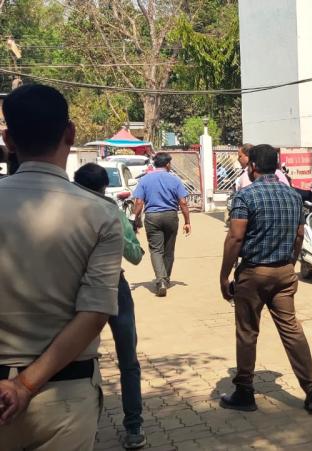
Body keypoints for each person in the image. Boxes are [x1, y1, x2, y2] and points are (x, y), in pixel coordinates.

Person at [0, 84, 123, 448]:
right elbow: (95, 313)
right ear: (70, 133)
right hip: (65, 395)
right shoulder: (100, 215)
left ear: (8, 139)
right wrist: (24, 385)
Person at [219, 144, 312, 415]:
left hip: (253, 274)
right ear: (276, 166)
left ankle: (244, 391)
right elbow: (299, 235)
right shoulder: (294, 196)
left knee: (247, 332)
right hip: (283, 273)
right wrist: (291, 263)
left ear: (252, 166)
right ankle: (311, 390)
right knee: (292, 330)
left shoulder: (245, 196)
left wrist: (224, 275)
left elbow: (235, 237)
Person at [74, 164, 147, 450]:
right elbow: (135, 255)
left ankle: (81, 429)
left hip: (76, 291)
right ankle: (134, 427)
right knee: (128, 360)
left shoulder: (66, 212)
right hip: (114, 287)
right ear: (105, 187)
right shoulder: (112, 212)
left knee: (77, 358)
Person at [132, 152, 191, 297]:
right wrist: (187, 222)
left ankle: (161, 280)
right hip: (171, 216)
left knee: (156, 250)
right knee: (169, 250)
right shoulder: (175, 180)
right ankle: (166, 278)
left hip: (152, 217)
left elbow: (139, 202)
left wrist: (134, 218)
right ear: (167, 164)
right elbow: (183, 202)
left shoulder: (145, 180)